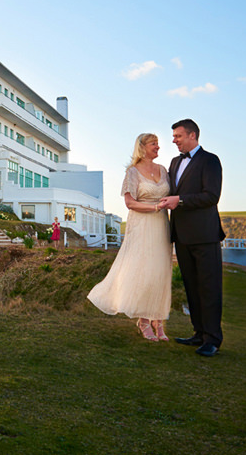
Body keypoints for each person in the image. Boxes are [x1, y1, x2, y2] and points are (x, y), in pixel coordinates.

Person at [87, 133, 172, 342]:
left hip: (161, 225)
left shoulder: (163, 170)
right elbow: (130, 203)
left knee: (161, 271)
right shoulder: (132, 172)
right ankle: (143, 320)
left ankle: (158, 319)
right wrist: (155, 207)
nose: (158, 147)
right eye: (154, 144)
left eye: (158, 144)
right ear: (142, 147)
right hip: (142, 224)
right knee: (145, 270)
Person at [159, 119, 225, 358]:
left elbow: (211, 196)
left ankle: (212, 339)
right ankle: (198, 333)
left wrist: (181, 201)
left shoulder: (210, 160)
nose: (174, 140)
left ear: (192, 135)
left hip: (205, 235)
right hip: (181, 236)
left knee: (209, 288)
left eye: (177, 136)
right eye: (173, 136)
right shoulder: (175, 162)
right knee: (192, 287)